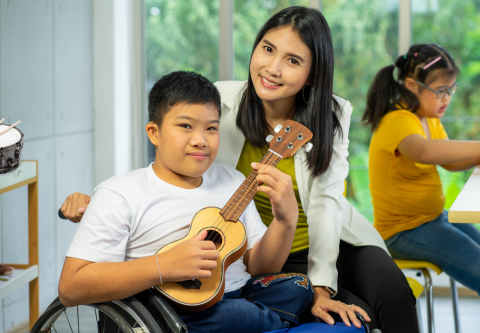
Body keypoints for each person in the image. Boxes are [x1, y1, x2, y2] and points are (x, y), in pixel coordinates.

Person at [61, 7, 418, 332]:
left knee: (392, 296)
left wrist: (322, 285)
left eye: (293, 60)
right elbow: (174, 163)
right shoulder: (223, 100)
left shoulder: (333, 112)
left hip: (325, 238)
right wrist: (103, 201)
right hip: (257, 246)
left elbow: (325, 203)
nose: (272, 68)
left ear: (312, 75)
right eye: (267, 49)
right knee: (350, 315)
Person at [58, 71, 316, 333]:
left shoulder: (234, 180)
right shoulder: (120, 193)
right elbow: (70, 287)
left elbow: (261, 267)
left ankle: (257, 321)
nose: (200, 140)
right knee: (235, 316)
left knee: (299, 286)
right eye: (185, 126)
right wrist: (163, 266)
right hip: (168, 307)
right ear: (154, 133)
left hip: (236, 296)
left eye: (211, 128)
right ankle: (267, 323)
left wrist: (285, 220)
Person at [363, 43, 480, 333]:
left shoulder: (428, 119)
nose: (447, 98)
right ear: (411, 86)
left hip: (432, 220)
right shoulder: (397, 121)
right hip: (404, 231)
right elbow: (425, 152)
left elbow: (450, 160)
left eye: (451, 89)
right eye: (440, 90)